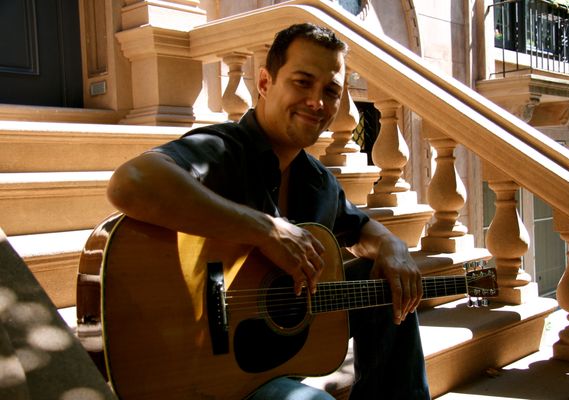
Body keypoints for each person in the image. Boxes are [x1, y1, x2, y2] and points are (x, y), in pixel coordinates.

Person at [107, 23, 430, 399]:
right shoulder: (223, 150)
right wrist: (265, 230)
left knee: (385, 288)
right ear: (264, 83)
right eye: (302, 82)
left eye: (331, 91)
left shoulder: (318, 182)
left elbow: (358, 229)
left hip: (267, 368)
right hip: (207, 376)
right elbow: (130, 182)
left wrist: (391, 246)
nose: (317, 102)